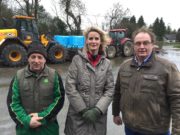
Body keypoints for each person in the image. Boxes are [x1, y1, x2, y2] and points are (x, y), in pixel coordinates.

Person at [112, 26, 180, 135]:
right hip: (130, 128)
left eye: (146, 43)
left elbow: (177, 100)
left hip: (156, 130)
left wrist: (177, 131)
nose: (142, 46)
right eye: (138, 43)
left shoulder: (167, 67)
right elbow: (117, 93)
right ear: (133, 46)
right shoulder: (124, 66)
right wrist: (115, 113)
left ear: (152, 44)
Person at [64, 26, 114, 135]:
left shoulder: (107, 64)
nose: (93, 41)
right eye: (90, 38)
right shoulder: (76, 60)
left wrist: (98, 110)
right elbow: (70, 87)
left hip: (98, 118)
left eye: (96, 39)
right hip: (78, 116)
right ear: (86, 41)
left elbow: (110, 89)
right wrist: (82, 110)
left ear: (101, 41)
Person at [7, 44, 65, 135]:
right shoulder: (18, 76)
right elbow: (13, 103)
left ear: (45, 59)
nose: (36, 60)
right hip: (25, 130)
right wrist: (26, 121)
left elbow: (59, 99)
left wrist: (42, 116)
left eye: (40, 57)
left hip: (48, 129)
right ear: (28, 59)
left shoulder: (54, 75)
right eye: (33, 57)